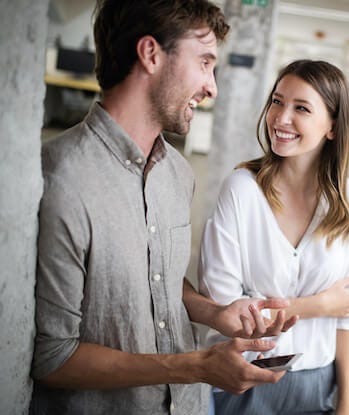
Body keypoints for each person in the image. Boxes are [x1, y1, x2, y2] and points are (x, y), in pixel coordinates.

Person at [31, 1, 298, 414]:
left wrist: (216, 313)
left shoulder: (176, 172)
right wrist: (195, 366)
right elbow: (54, 358)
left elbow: (159, 279)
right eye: (205, 62)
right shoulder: (63, 179)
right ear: (151, 54)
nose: (212, 87)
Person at [199, 59, 349, 414]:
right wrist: (320, 304)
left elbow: (346, 314)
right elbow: (228, 309)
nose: (280, 118)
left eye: (301, 108)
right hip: (242, 380)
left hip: (316, 384)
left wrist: (346, 399)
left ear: (333, 128)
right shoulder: (241, 191)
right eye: (277, 101)